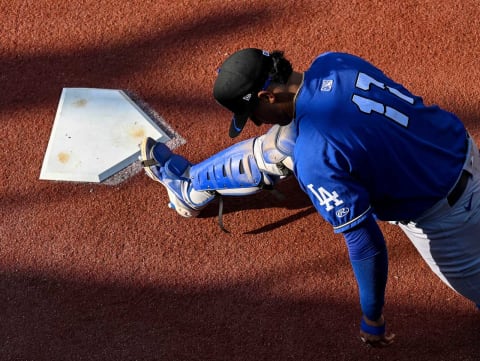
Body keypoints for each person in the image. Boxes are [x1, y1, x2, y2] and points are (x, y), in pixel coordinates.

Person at [140, 48, 480, 347]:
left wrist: (371, 317)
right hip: (456, 146)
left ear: (267, 96)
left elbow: (366, 245)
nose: (257, 123)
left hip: (449, 216)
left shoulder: (316, 156)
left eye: (253, 115)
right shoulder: (334, 61)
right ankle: (190, 186)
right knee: (282, 145)